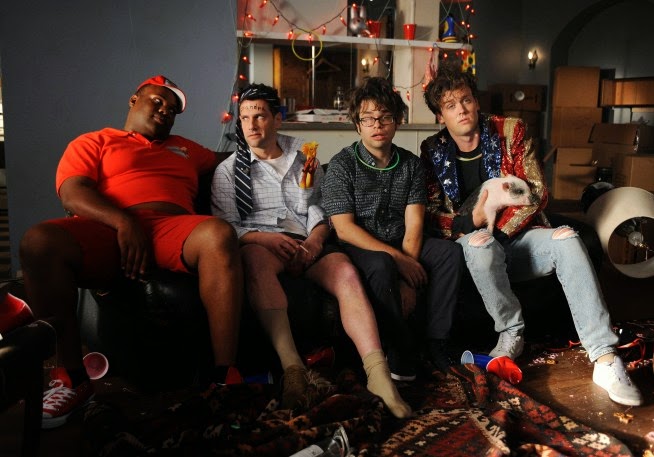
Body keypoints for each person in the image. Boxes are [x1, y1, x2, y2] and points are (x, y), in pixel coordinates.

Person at [19, 75, 244, 429]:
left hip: (174, 228)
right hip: (113, 229)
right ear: (134, 100)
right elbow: (73, 192)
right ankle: (72, 378)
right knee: (38, 241)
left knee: (218, 233)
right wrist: (123, 222)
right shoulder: (96, 141)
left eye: (173, 110)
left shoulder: (186, 149)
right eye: (158, 101)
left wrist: (285, 149)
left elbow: (239, 159)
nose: (165, 110)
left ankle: (223, 377)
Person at [419, 63, 643, 407]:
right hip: (473, 242)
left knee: (568, 240)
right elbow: (433, 212)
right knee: (481, 247)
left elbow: (535, 192)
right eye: (450, 105)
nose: (461, 110)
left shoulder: (510, 130)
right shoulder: (432, 149)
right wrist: (471, 223)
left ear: (476, 102)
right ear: (440, 116)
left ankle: (604, 356)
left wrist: (500, 233)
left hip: (518, 236)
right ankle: (511, 333)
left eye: (466, 100)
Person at [211, 83, 411, 418]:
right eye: (244, 118)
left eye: (259, 116)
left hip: (309, 241)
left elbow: (322, 207)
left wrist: (316, 241)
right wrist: (264, 239)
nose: (251, 125)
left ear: (277, 119)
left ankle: (378, 374)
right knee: (254, 260)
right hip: (263, 244)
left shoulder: (304, 156)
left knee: (346, 271)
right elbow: (227, 226)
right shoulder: (228, 171)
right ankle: (293, 370)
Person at [321, 77, 463, 381]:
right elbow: (344, 229)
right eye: (368, 118)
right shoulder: (342, 165)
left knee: (449, 253)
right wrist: (399, 262)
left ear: (397, 121)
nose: (377, 124)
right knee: (382, 262)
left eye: (385, 117)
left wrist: (407, 279)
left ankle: (437, 342)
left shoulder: (410, 165)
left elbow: (415, 224)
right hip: (358, 244)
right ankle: (398, 348)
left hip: (401, 239)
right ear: (357, 125)